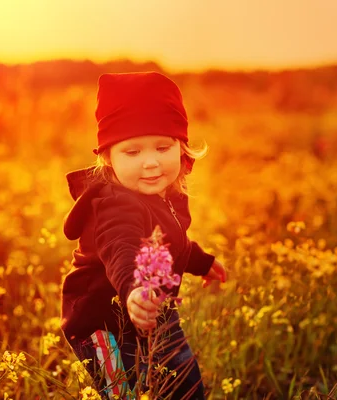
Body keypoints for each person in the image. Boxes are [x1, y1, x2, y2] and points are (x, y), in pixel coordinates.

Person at [60, 71, 227, 400]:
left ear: (182, 148)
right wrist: (134, 290)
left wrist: (202, 261)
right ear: (108, 157)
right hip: (106, 323)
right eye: (132, 153)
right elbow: (122, 251)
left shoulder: (167, 195)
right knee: (127, 393)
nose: (151, 163)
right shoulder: (115, 207)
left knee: (185, 384)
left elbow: (172, 242)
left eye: (162, 147)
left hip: (154, 312)